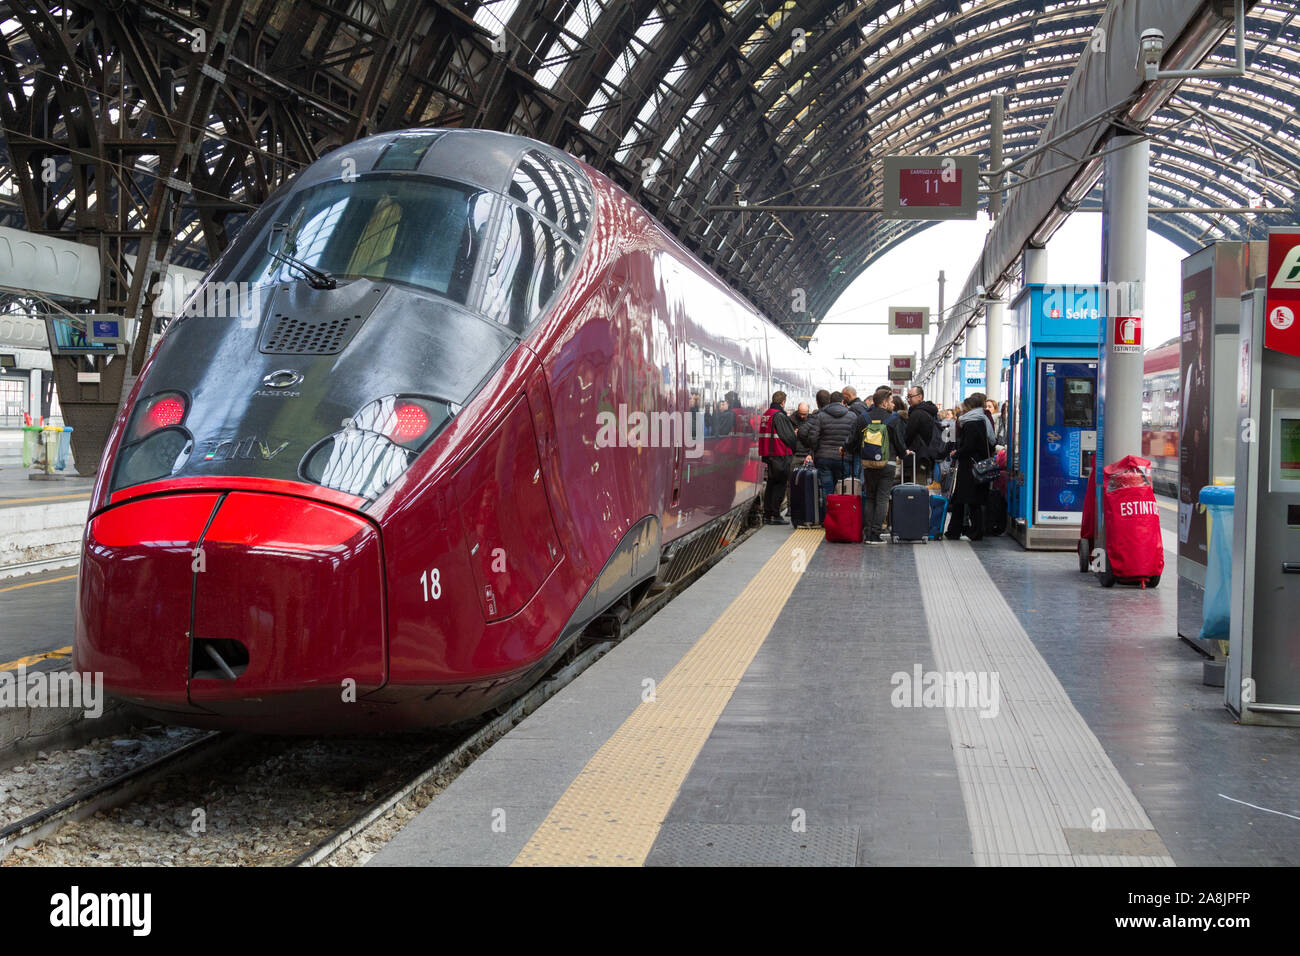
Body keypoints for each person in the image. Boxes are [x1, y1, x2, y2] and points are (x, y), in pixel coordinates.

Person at [857, 386, 905, 544]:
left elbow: (855, 439)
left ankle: (868, 533)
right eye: (891, 401)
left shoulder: (864, 417)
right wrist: (905, 454)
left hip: (869, 463)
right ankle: (876, 534)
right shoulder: (893, 419)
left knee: (870, 497)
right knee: (883, 498)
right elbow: (899, 442)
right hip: (888, 463)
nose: (893, 404)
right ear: (884, 402)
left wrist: (846, 449)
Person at [946, 392, 994, 541]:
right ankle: (970, 531)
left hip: (970, 467)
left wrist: (956, 453)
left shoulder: (970, 423)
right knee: (972, 500)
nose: (962, 410)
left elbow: (969, 446)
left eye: (964, 407)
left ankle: (959, 531)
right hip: (978, 465)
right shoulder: (982, 420)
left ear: (970, 407)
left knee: (963, 499)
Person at [798, 389, 857, 506]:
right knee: (843, 490)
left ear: (830, 401)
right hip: (844, 458)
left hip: (824, 458)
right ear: (842, 401)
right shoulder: (852, 416)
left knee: (827, 490)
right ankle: (841, 518)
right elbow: (854, 438)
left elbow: (813, 437)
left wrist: (816, 450)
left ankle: (829, 518)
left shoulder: (821, 416)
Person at [758, 390, 798, 524]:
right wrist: (794, 445)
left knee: (771, 483)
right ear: (783, 402)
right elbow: (788, 436)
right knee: (780, 485)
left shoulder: (766, 414)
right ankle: (775, 515)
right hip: (779, 454)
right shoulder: (779, 415)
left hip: (769, 454)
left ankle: (767, 514)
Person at [905, 385, 939, 484]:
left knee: (917, 483)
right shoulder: (930, 411)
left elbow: (909, 435)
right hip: (927, 454)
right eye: (907, 397)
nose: (908, 400)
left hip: (918, 455)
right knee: (922, 481)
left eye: (910, 396)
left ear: (920, 397)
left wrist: (903, 447)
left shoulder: (917, 414)